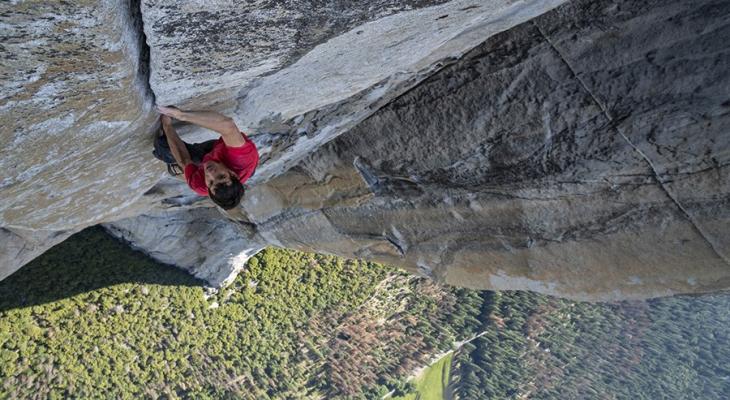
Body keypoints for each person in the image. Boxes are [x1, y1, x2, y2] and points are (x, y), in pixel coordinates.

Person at [152, 106, 259, 210]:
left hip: (214, 158)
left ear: (207, 189)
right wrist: (181, 115)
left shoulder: (200, 186)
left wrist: (167, 125)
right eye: (221, 176)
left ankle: (181, 170)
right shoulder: (241, 158)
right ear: (232, 174)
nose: (211, 173)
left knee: (163, 147)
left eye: (211, 182)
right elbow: (228, 126)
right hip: (223, 153)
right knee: (229, 143)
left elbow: (183, 160)